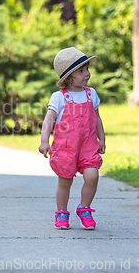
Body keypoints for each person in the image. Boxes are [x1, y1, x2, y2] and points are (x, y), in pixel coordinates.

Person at [38, 47, 106, 230]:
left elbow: (97, 117)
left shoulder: (91, 94)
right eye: (81, 71)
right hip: (66, 148)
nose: (87, 74)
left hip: (88, 146)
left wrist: (102, 138)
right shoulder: (59, 97)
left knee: (92, 176)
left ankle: (84, 208)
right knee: (65, 181)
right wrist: (44, 141)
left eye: (87, 69)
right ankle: (61, 212)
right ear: (68, 77)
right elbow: (49, 120)